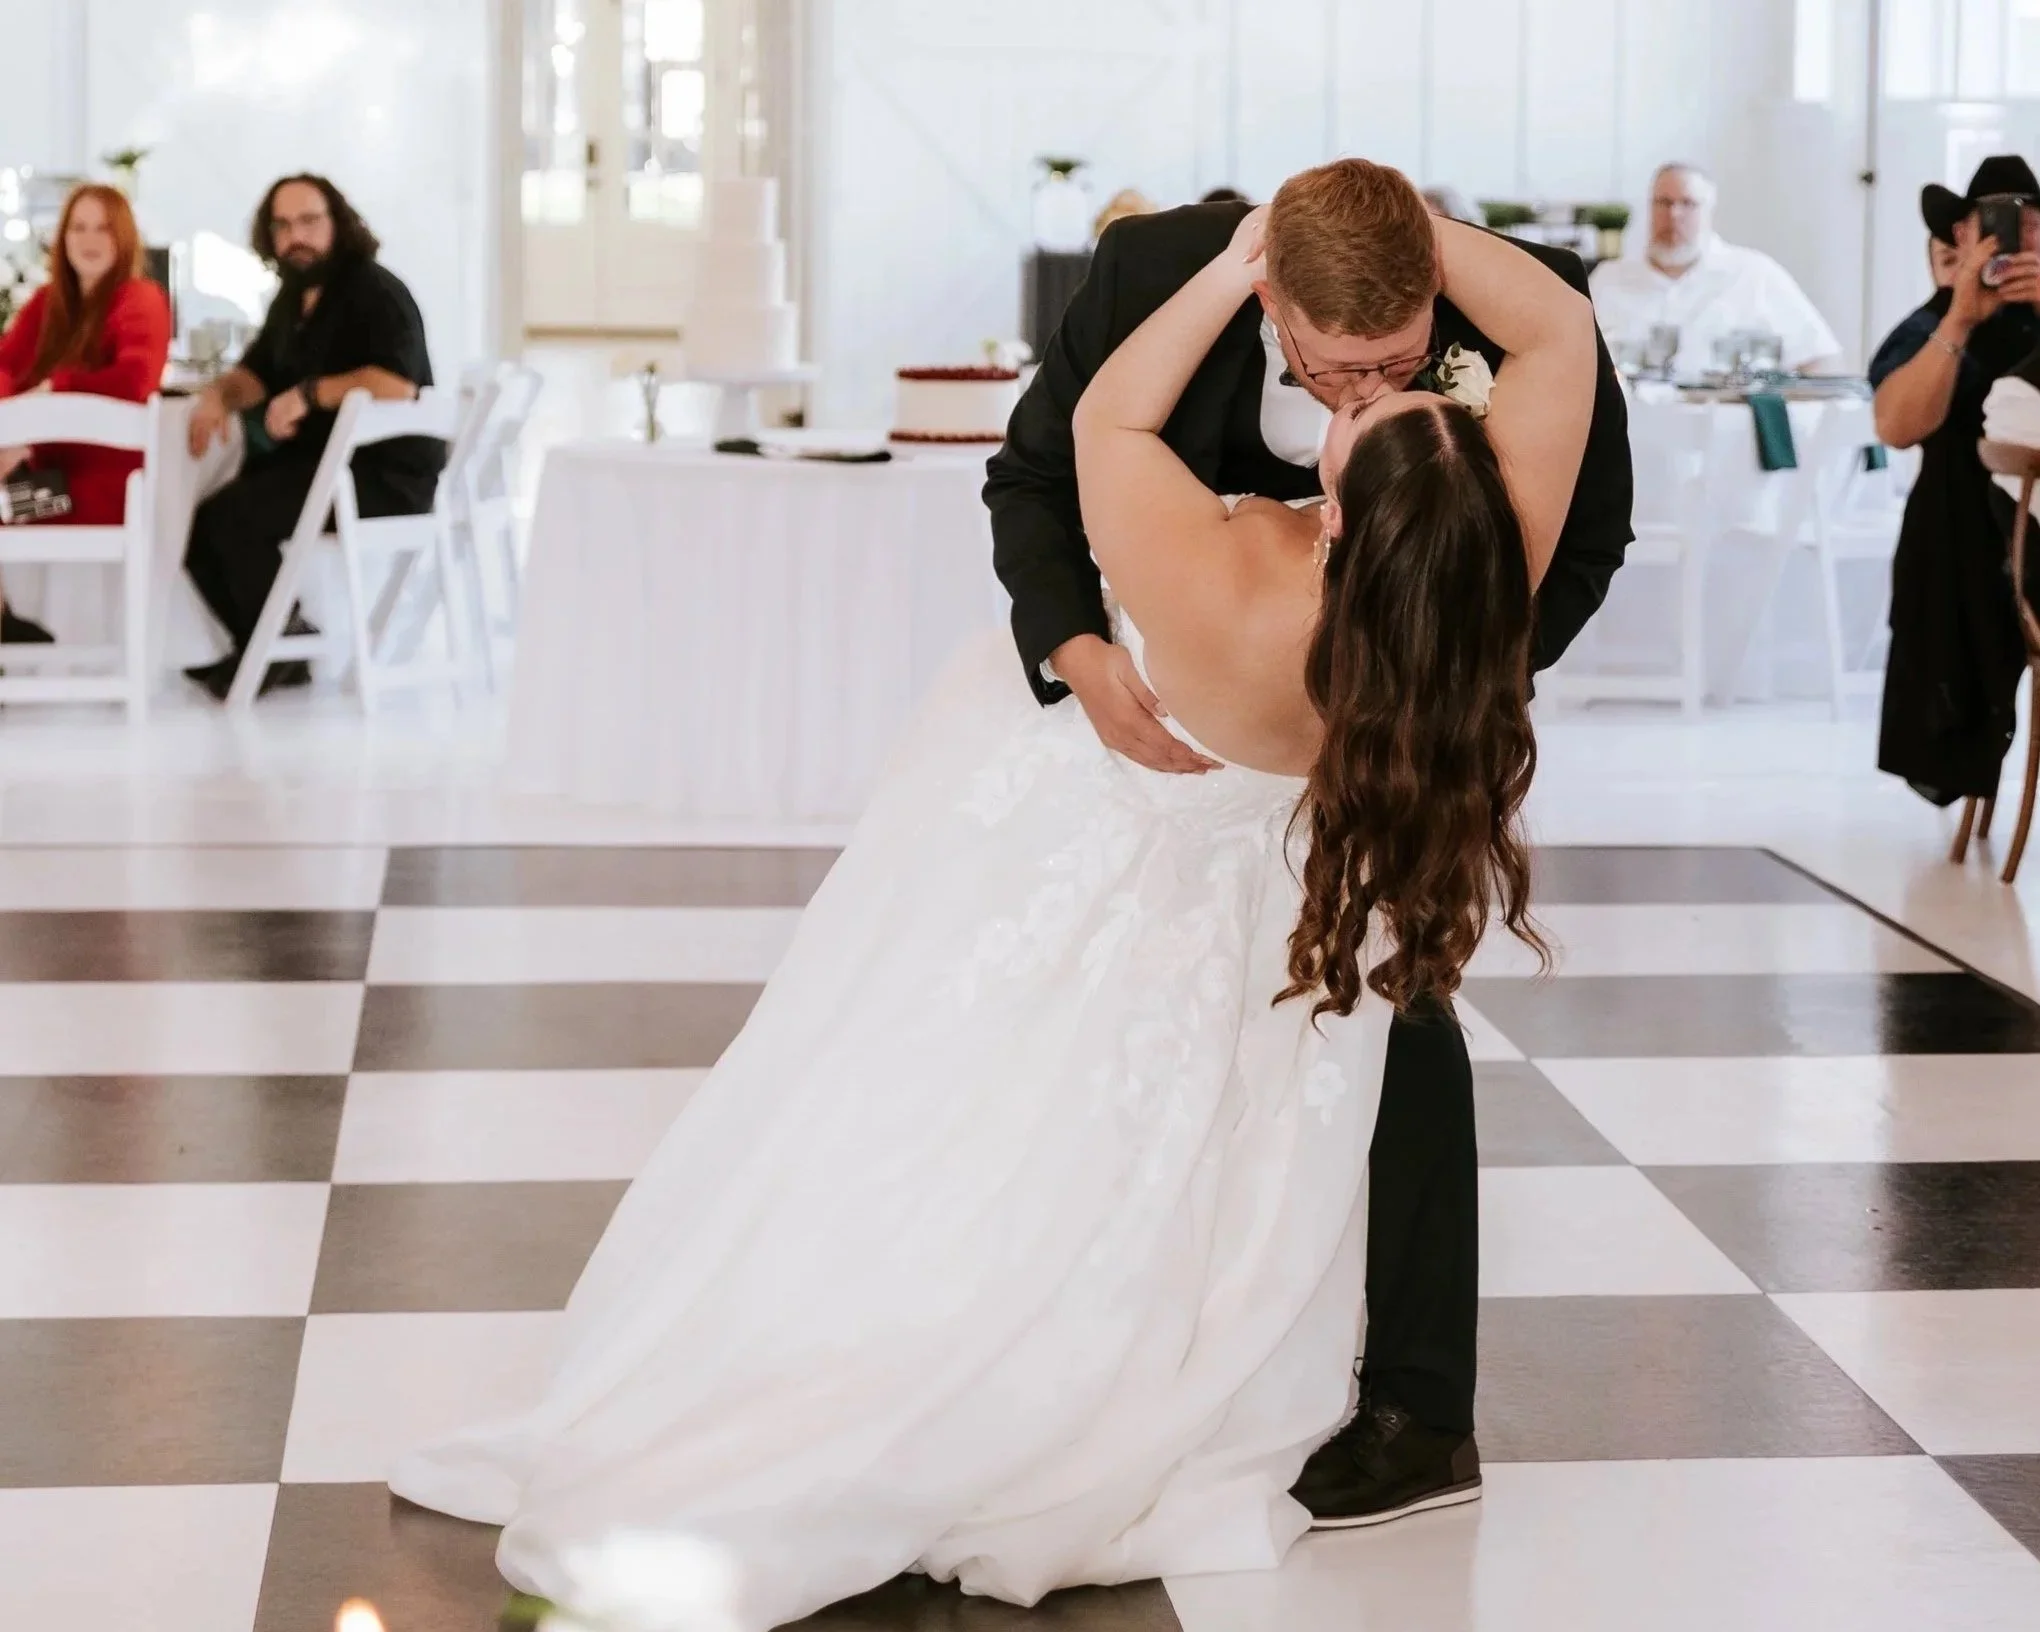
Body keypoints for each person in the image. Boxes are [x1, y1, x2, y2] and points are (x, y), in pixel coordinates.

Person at [390, 200, 1595, 1628]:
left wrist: (1252, 259)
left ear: (1339, 507)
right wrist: (1391, 224)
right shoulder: (1486, 562)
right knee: (1205, 1154)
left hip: (1125, 859)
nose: (1364, 395)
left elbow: (1106, 436)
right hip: (1305, 891)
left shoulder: (1222, 577)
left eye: (1384, 395)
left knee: (978, 1115)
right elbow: (1561, 332)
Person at [985, 157, 1632, 1529]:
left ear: (1440, 291)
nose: (1357, 394)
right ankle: (1129, 1340)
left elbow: (1592, 541)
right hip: (1195, 692)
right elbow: (1035, 477)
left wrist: (1444, 675)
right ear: (1269, 295)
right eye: (1332, 368)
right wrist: (1076, 650)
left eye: (1394, 367)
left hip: (1397, 720)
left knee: (1407, 1022)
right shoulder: (1154, 274)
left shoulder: (1520, 309)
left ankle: (1417, 1406)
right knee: (1144, 1033)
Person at [180, 174, 442, 699]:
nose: (295, 236)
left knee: (228, 521)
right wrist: (217, 396)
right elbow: (254, 375)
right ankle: (274, 648)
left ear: (338, 223)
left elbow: (396, 385)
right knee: (205, 524)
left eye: (308, 221)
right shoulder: (293, 297)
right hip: (325, 468)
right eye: (282, 225)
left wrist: (310, 393)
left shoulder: (374, 291)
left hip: (382, 476)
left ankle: (276, 647)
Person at [1870, 155, 2040, 806]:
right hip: (1960, 540)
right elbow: (1897, 426)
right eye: (1991, 224)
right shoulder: (1927, 324)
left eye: (2029, 224)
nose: (2011, 238)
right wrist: (1961, 319)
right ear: (1961, 239)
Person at [0, 183, 171, 645]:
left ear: (124, 238)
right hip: (44, 479)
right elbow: (4, 365)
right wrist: (12, 425)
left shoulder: (142, 298)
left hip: (89, 493)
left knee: (3, 503)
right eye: (78, 227)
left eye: (103, 228)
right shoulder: (48, 303)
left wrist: (51, 394)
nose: (89, 239)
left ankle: (6, 626)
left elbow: (135, 380)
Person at [1590, 162, 1844, 377]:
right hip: (1629, 431)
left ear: (1709, 210)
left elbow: (1823, 360)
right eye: (1663, 203)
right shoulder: (1608, 279)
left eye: (1688, 203)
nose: (1674, 214)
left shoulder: (1754, 274)